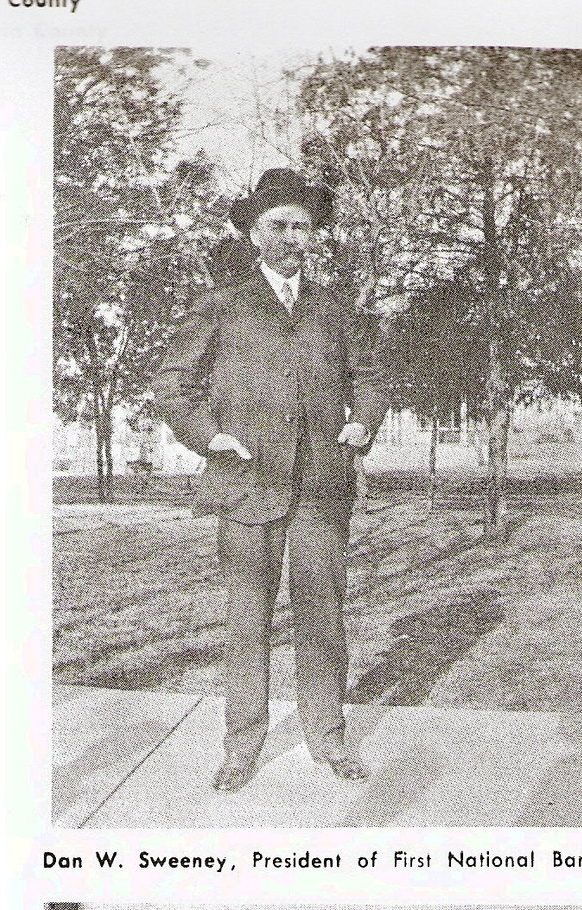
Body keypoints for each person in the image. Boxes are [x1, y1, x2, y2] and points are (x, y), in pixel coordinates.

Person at [153, 168, 388, 792]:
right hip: (250, 485)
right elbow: (173, 382)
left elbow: (367, 376)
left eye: (301, 226)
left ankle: (329, 739)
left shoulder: (333, 307)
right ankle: (242, 746)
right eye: (276, 225)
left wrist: (362, 422)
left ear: (314, 236)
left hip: (320, 487)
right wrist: (209, 437)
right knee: (247, 621)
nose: (289, 236)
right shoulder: (223, 304)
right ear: (254, 234)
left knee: (321, 615)